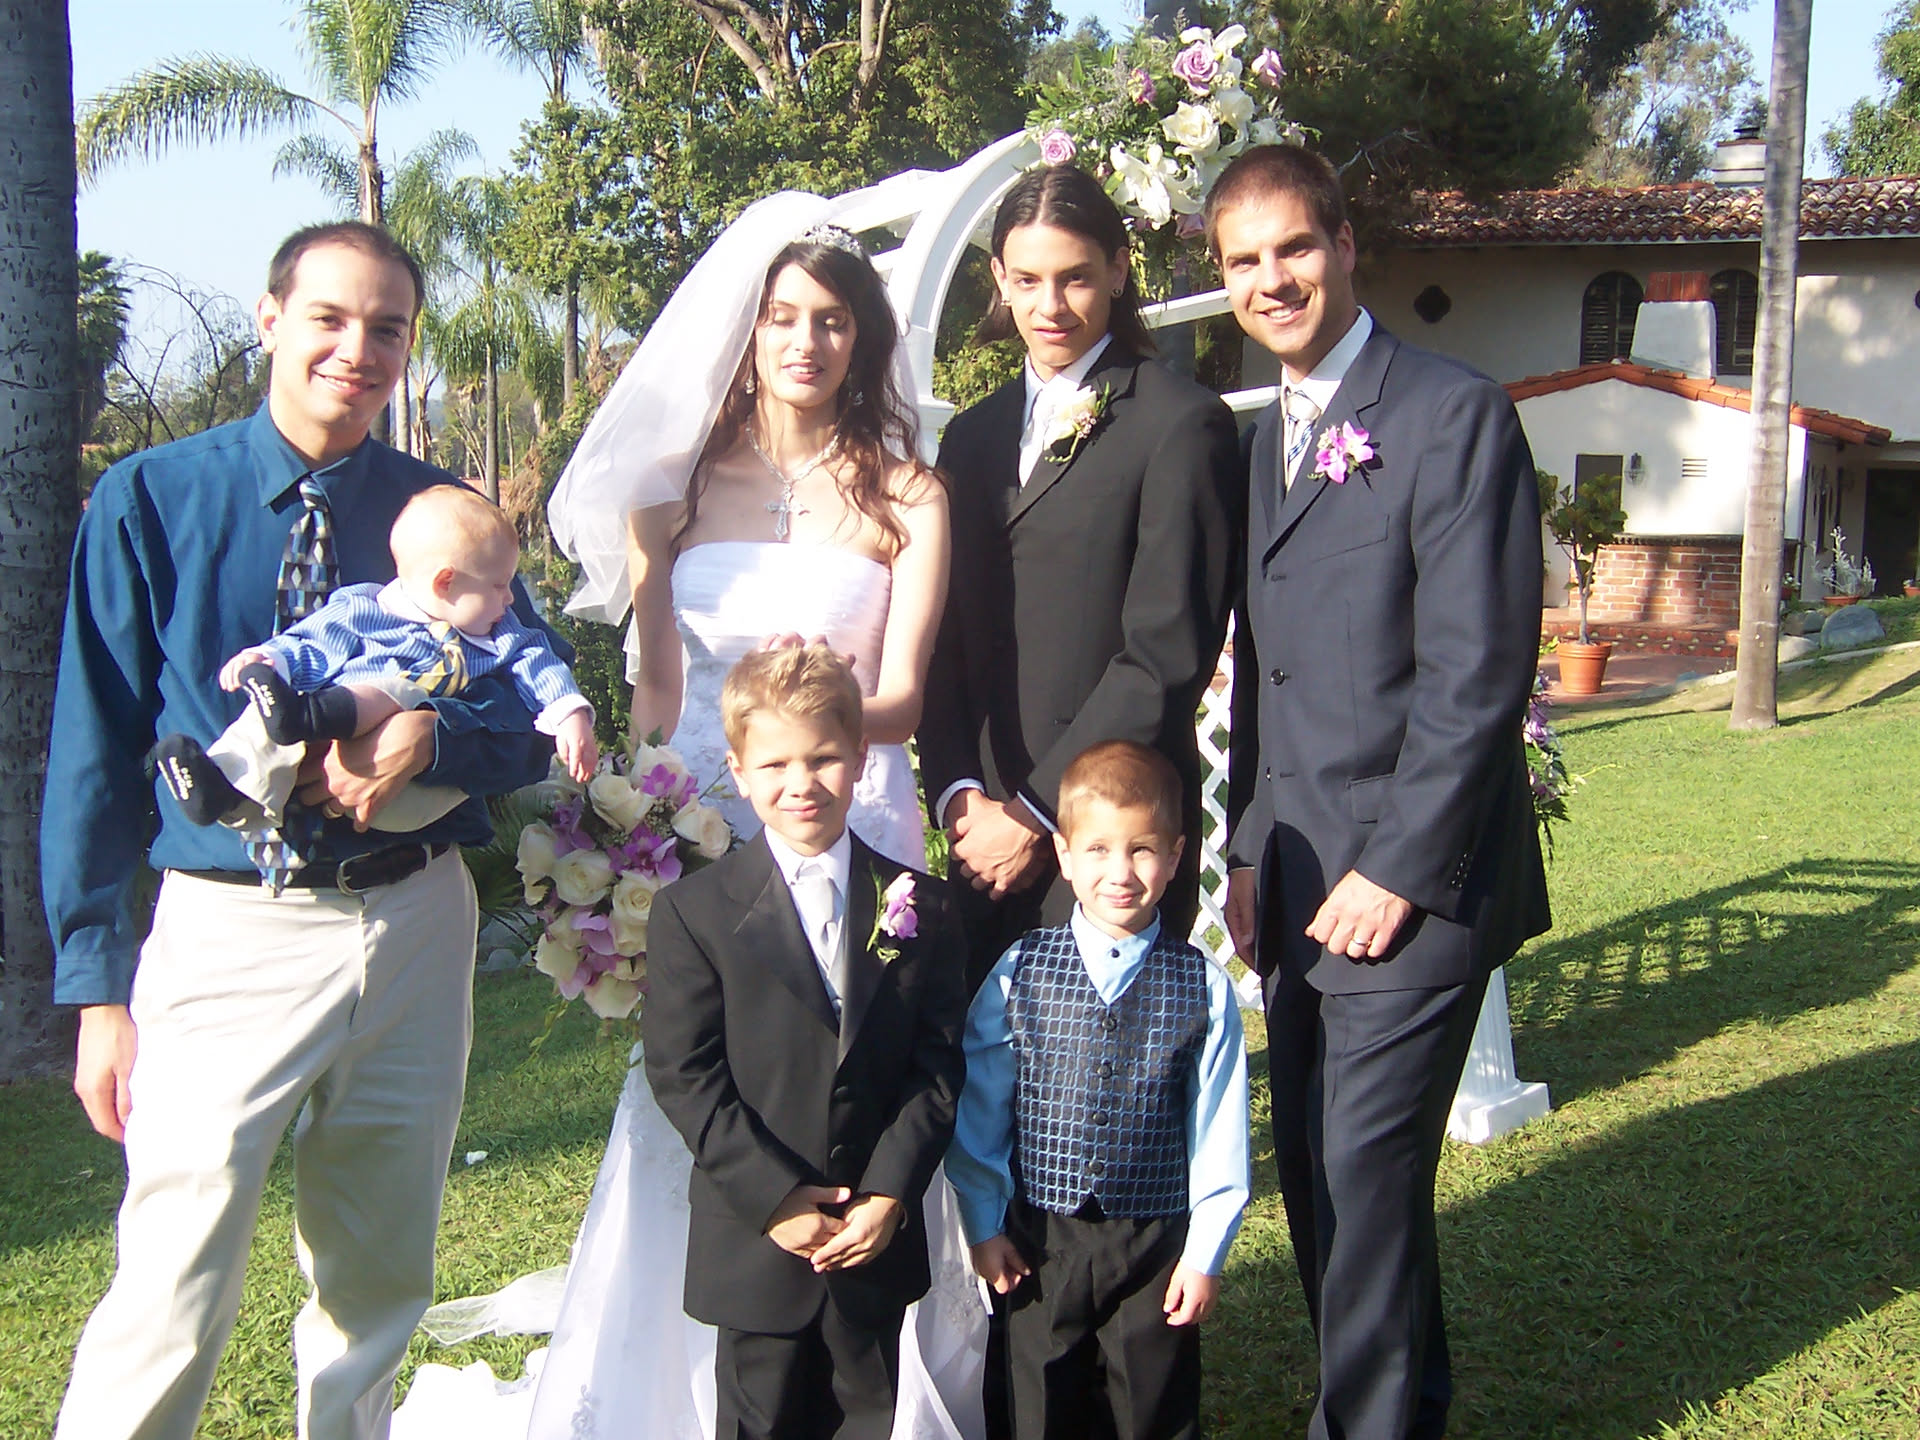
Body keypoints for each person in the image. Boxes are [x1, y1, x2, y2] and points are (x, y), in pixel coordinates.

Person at [395, 190, 982, 1440]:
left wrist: (801, 735)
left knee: (860, 1079)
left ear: (865, 339)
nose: (806, 341)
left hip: (851, 809)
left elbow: (905, 696)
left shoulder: (910, 495)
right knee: (710, 1083)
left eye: (832, 320)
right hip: (706, 829)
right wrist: (630, 820)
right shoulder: (672, 491)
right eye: (783, 316)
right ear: (747, 329)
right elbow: (659, 694)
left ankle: (871, 1350)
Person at [43, 221, 563, 1440]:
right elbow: (94, 752)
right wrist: (97, 989)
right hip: (230, 928)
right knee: (173, 1279)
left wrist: (432, 737)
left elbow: (534, 721)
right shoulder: (153, 498)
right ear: (271, 318)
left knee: (376, 1280)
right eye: (329, 317)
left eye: (387, 328)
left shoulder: (448, 519)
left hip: (415, 917)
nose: (357, 349)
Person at [1212, 145, 1551, 1440]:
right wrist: (1248, 852)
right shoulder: (1266, 442)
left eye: (1295, 247)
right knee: (1321, 1172)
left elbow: (1479, 676)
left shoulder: (1453, 414)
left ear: (1347, 245)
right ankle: (1407, 1409)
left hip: (1409, 890)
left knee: (1360, 1172)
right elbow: (1267, 678)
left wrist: (1397, 871)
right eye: (1245, 261)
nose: (1273, 279)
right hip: (1299, 879)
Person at [918, 162, 1243, 988]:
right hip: (980, 839)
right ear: (999, 279)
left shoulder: (1180, 424)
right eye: (1027, 280)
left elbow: (1166, 652)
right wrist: (960, 799)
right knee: (981, 1062)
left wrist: (1037, 812)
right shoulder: (971, 438)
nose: (1050, 305)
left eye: (1075, 278)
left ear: (1119, 271)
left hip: (1109, 833)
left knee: (1102, 1068)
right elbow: (944, 639)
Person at [643, 643, 969, 1440]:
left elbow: (937, 1065)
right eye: (776, 763)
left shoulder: (921, 905)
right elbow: (685, 1074)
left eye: (823, 759)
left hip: (871, 1236)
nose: (802, 783)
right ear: (738, 770)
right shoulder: (693, 913)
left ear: (859, 759)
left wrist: (890, 1193)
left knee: (868, 1416)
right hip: (758, 1240)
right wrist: (774, 1199)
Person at [947, 740, 1249, 1440]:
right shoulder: (1019, 971)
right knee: (1038, 1403)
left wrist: (1204, 1253)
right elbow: (982, 1105)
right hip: (1039, 1238)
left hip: (1153, 1243)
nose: (1120, 872)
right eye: (1098, 850)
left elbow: (1218, 1128)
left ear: (1176, 856)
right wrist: (984, 1224)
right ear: (1063, 853)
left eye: (1142, 850)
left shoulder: (1203, 986)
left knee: (1149, 1407)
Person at [155, 484, 598, 836]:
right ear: (445, 583)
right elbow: (312, 642)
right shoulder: (367, 608)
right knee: (262, 721)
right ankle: (217, 787)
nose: (509, 598)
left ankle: (310, 715)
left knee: (398, 688)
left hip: (407, 797)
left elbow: (540, 665)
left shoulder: (500, 634)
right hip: (312, 768)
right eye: (500, 585)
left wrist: (570, 715)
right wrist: (270, 660)